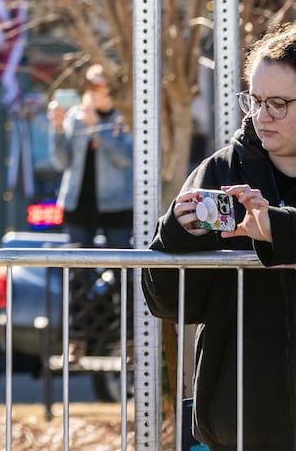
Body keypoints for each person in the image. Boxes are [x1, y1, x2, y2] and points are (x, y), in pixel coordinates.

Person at [143, 23, 296, 451]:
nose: (261, 116)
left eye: (279, 104)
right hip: (238, 426)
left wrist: (277, 229)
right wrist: (176, 237)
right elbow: (170, 306)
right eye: (255, 99)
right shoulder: (220, 171)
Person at [49, 64, 133, 247]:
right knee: (78, 269)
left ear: (111, 89)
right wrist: (57, 128)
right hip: (78, 203)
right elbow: (61, 163)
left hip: (116, 204)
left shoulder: (124, 118)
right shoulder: (74, 117)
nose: (92, 92)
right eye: (89, 86)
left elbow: (123, 160)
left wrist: (96, 128)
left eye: (98, 87)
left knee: (121, 265)